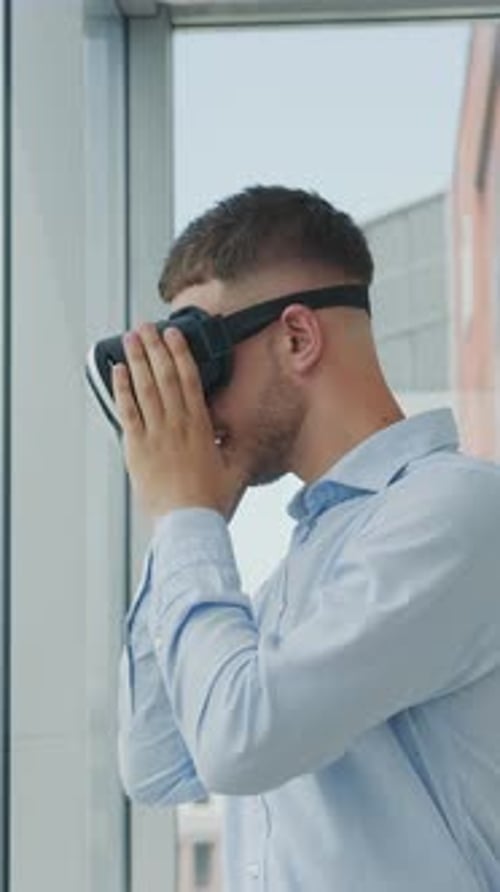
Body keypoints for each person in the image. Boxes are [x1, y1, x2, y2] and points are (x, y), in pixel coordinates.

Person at [115, 185, 500, 891]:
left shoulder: (458, 512)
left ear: (297, 337)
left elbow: (241, 742)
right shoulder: (302, 568)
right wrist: (185, 521)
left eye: (202, 359)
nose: (193, 401)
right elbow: (157, 761)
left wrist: (185, 518)